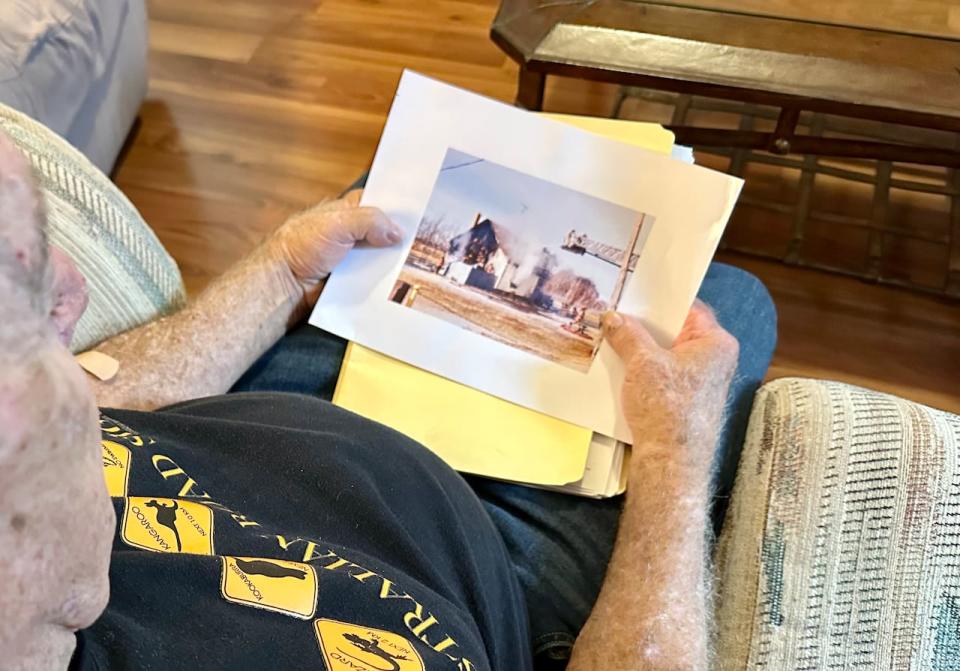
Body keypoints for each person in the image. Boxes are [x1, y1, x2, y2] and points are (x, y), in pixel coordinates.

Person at [0, 130, 776, 670]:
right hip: (492, 567)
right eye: (34, 308)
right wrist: (675, 452)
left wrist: (279, 272)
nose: (76, 288)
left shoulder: (29, 479)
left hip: (262, 416)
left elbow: (115, 400)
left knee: (380, 197)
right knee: (735, 301)